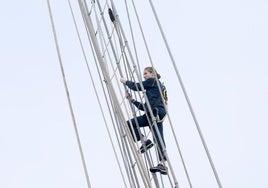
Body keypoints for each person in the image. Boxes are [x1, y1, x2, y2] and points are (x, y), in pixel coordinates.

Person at [120, 66, 168, 175]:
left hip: (157, 112)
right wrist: (131, 100)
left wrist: (125, 81)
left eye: (146, 73)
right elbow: (144, 107)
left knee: (158, 136)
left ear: (152, 74)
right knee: (131, 124)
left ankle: (146, 142)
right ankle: (146, 143)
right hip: (151, 113)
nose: (144, 75)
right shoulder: (152, 90)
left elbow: (137, 86)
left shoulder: (153, 81)